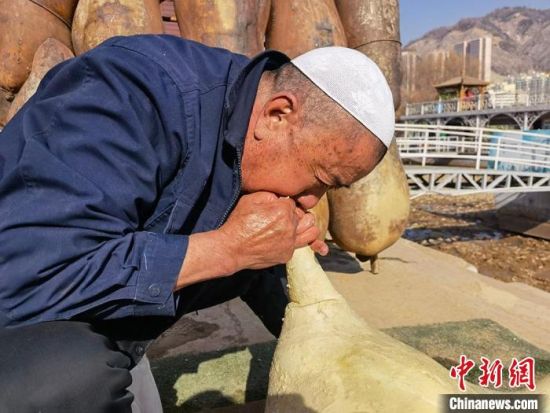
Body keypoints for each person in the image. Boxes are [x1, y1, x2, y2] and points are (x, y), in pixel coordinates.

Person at [0, 35, 394, 412]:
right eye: (321, 178)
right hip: (20, 319)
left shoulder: (250, 130)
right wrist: (228, 249)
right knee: (64, 381)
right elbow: (30, 274)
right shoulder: (128, 95)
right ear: (278, 115)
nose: (310, 202)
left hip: (110, 336)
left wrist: (320, 313)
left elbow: (258, 274)